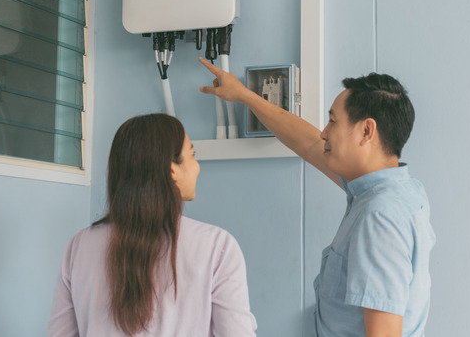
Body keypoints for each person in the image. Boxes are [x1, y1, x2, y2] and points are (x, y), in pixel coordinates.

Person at [199, 57, 435, 337]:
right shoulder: (398, 191)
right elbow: (309, 142)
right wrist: (244, 95)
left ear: (366, 131)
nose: (324, 132)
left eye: (333, 121)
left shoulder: (379, 216)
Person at [48, 113, 257, 337]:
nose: (197, 167)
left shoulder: (79, 246)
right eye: (192, 155)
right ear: (172, 171)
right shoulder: (218, 247)